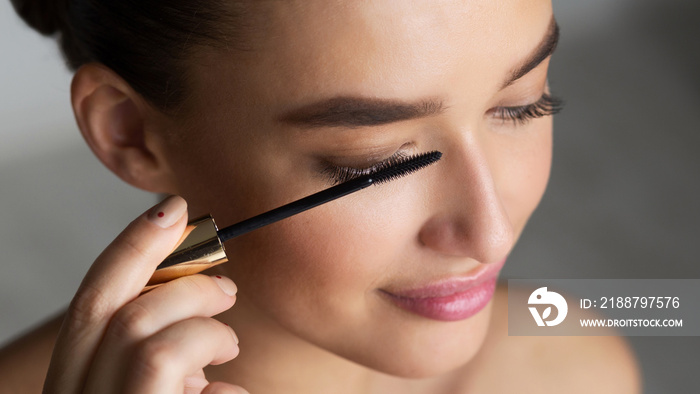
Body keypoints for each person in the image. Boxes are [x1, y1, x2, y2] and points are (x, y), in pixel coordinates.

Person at [1, 0, 640, 392]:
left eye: (523, 107)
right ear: (130, 134)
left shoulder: (569, 364)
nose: (491, 233)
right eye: (378, 161)